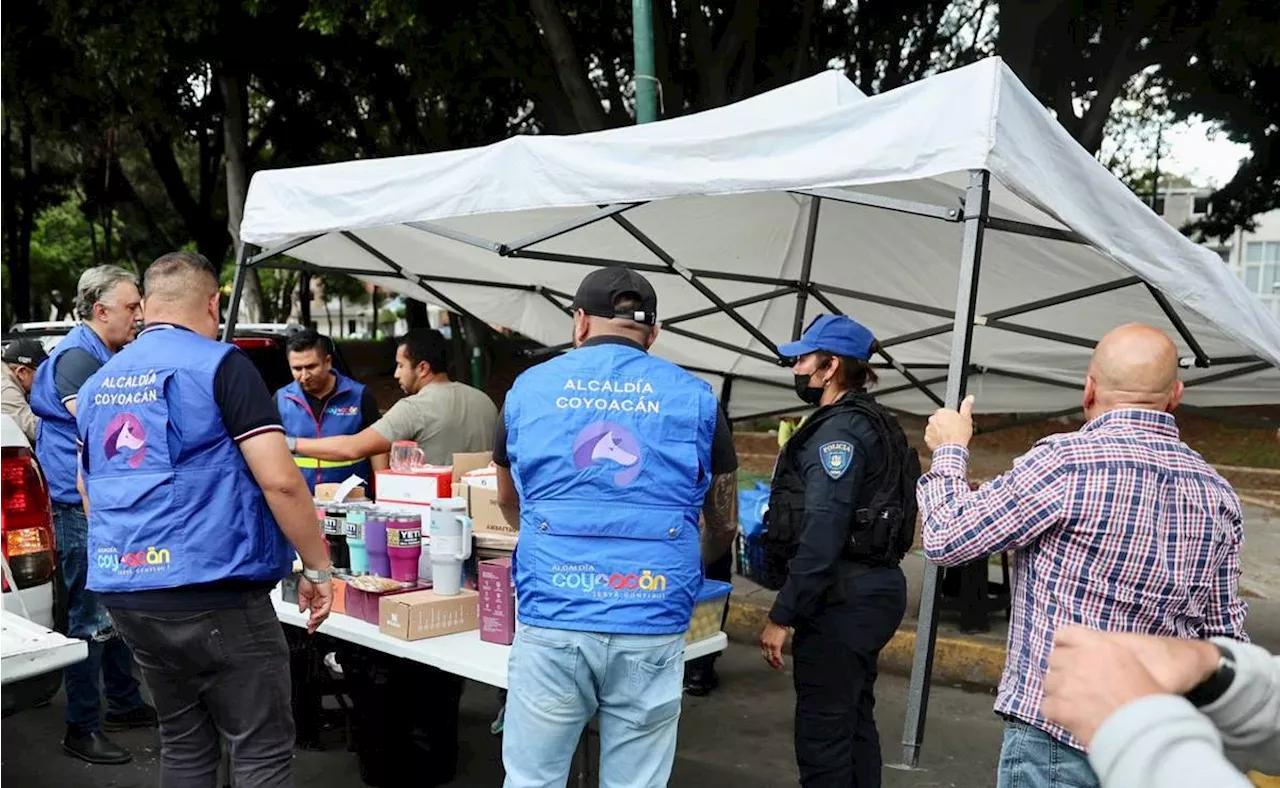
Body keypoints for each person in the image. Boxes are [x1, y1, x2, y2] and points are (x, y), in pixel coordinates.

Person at [918, 323, 1249, 788]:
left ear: (1089, 389)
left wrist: (951, 451)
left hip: (1060, 740)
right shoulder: (1217, 493)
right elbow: (1224, 637)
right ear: (1175, 395)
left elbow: (947, 537)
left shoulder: (1066, 463)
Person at [75, 251, 334, 788]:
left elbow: (87, 489)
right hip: (216, 591)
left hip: (129, 589)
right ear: (213, 302)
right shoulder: (222, 364)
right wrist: (318, 569)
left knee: (185, 740)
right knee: (260, 746)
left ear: (145, 306)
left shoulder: (101, 382)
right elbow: (281, 479)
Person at [494, 266, 739, 788]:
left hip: (555, 610)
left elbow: (508, 501)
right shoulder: (697, 397)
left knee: (533, 779)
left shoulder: (527, 391)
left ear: (579, 322)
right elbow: (723, 525)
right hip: (651, 614)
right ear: (653, 333)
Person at [756, 314, 916, 788]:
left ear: (830, 367)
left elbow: (823, 530)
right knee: (853, 721)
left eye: (803, 360)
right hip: (871, 590)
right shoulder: (873, 421)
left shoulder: (839, 434)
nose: (796, 369)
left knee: (824, 734)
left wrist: (782, 615)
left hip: (844, 595)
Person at [29, 264, 152, 765]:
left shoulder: (100, 353)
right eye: (131, 307)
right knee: (89, 615)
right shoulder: (78, 358)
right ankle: (82, 727)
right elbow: (107, 428)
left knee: (113, 608)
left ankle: (123, 703)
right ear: (101, 311)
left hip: (98, 501)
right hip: (77, 506)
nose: (140, 315)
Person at [1042, 626, 1280, 787]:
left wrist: (1139, 728)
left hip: (1065, 720)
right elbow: (1223, 608)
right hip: (1173, 712)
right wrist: (1214, 669)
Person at [287, 327, 496, 468]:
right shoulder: (484, 401)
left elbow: (352, 448)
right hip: (481, 511)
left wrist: (293, 444)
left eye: (401, 365)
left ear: (422, 368)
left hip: (434, 517)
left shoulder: (414, 408)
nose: (396, 374)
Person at [276, 328, 385, 493]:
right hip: (300, 501)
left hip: (352, 500)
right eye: (297, 369)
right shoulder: (281, 399)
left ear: (328, 361)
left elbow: (379, 448)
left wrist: (381, 494)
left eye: (311, 366)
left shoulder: (359, 395)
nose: (304, 376)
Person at [0, 338, 48, 442]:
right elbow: (35, 429)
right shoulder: (6, 390)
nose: (46, 379)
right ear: (22, 372)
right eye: (43, 373)